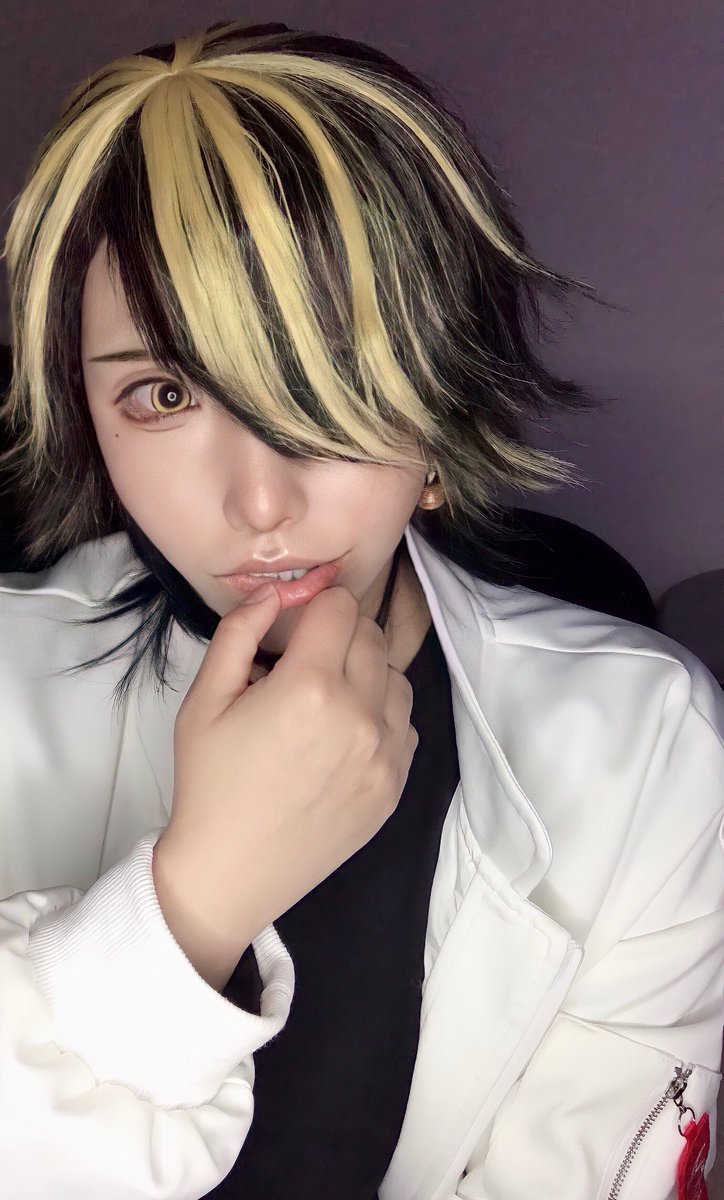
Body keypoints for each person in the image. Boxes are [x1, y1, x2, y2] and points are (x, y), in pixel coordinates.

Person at [0, 17, 721, 1200]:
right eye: (164, 393)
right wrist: (191, 909)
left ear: (438, 401)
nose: (259, 501)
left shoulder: (647, 747)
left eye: (326, 377)